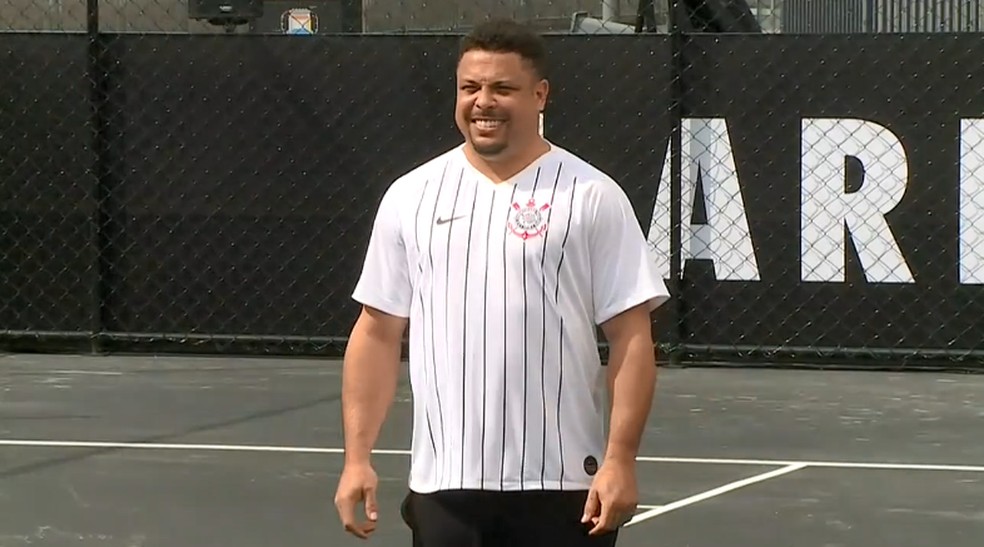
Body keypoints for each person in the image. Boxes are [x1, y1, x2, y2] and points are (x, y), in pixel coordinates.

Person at [333, 17, 670, 547]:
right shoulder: (410, 195)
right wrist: (357, 459)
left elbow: (631, 337)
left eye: (502, 88)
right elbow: (376, 333)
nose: (482, 101)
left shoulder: (591, 196)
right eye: (470, 87)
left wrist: (620, 460)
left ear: (540, 95)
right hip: (444, 487)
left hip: (563, 486)